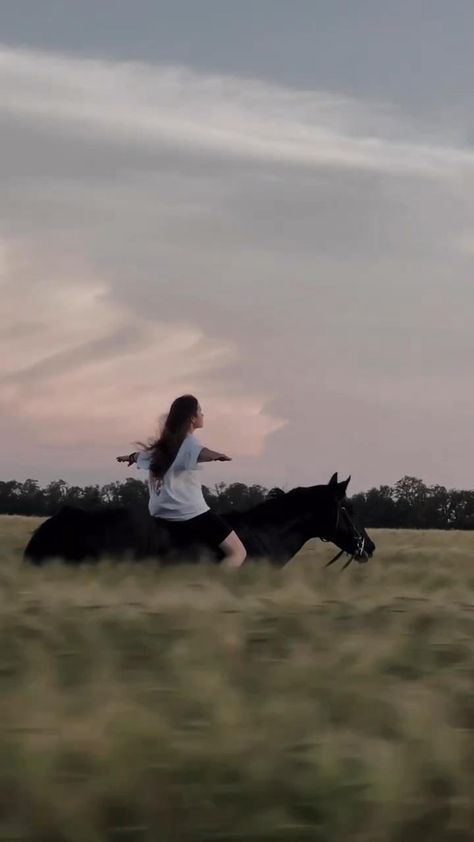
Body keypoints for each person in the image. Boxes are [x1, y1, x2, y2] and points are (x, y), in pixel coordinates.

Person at [116, 394, 247, 569]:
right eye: (200, 411)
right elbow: (200, 452)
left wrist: (129, 457)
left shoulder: (164, 444)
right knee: (238, 552)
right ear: (192, 418)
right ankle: (214, 588)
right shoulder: (190, 443)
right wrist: (216, 456)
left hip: (159, 512)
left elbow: (143, 455)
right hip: (188, 513)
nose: (203, 414)